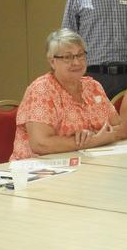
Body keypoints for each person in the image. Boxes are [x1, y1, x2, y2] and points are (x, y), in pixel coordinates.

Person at [10, 29, 120, 160]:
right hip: (39, 170)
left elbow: (118, 127)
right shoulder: (42, 90)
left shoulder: (94, 86)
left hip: (87, 163)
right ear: (52, 62)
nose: (77, 62)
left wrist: (93, 134)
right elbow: (40, 144)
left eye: (80, 55)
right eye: (68, 57)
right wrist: (94, 140)